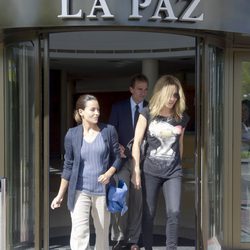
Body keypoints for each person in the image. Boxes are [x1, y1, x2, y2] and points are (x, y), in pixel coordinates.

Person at [50, 94, 121, 250]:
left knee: (102, 234)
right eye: (93, 109)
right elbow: (68, 166)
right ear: (81, 112)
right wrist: (60, 195)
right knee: (79, 233)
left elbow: (117, 158)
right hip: (79, 191)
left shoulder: (109, 131)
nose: (97, 113)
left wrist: (109, 173)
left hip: (102, 191)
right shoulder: (72, 135)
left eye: (98, 110)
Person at [131, 75, 189, 250]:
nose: (172, 99)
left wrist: (177, 166)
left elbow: (180, 144)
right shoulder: (147, 113)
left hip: (173, 172)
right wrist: (136, 172)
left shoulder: (181, 117)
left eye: (175, 95)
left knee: (174, 212)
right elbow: (137, 142)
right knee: (148, 214)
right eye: (169, 94)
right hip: (150, 171)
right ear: (161, 93)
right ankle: (147, 247)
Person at [109, 73, 148, 250]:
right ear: (131, 89)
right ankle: (118, 237)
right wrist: (118, 146)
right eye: (139, 89)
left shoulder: (150, 109)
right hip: (123, 161)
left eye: (146, 89)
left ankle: (134, 238)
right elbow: (110, 133)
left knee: (137, 201)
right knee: (119, 197)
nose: (143, 93)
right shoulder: (118, 108)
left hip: (141, 162)